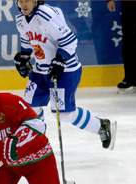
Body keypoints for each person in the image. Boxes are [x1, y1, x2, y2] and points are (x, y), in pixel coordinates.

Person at [13, 0, 116, 150]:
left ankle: (100, 126)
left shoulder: (45, 15)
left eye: (27, 0)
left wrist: (60, 61)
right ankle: (36, 141)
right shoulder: (21, 20)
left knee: (64, 114)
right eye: (20, 1)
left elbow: (70, 41)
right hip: (41, 70)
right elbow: (27, 43)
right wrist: (23, 58)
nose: (23, 4)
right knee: (29, 108)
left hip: (66, 71)